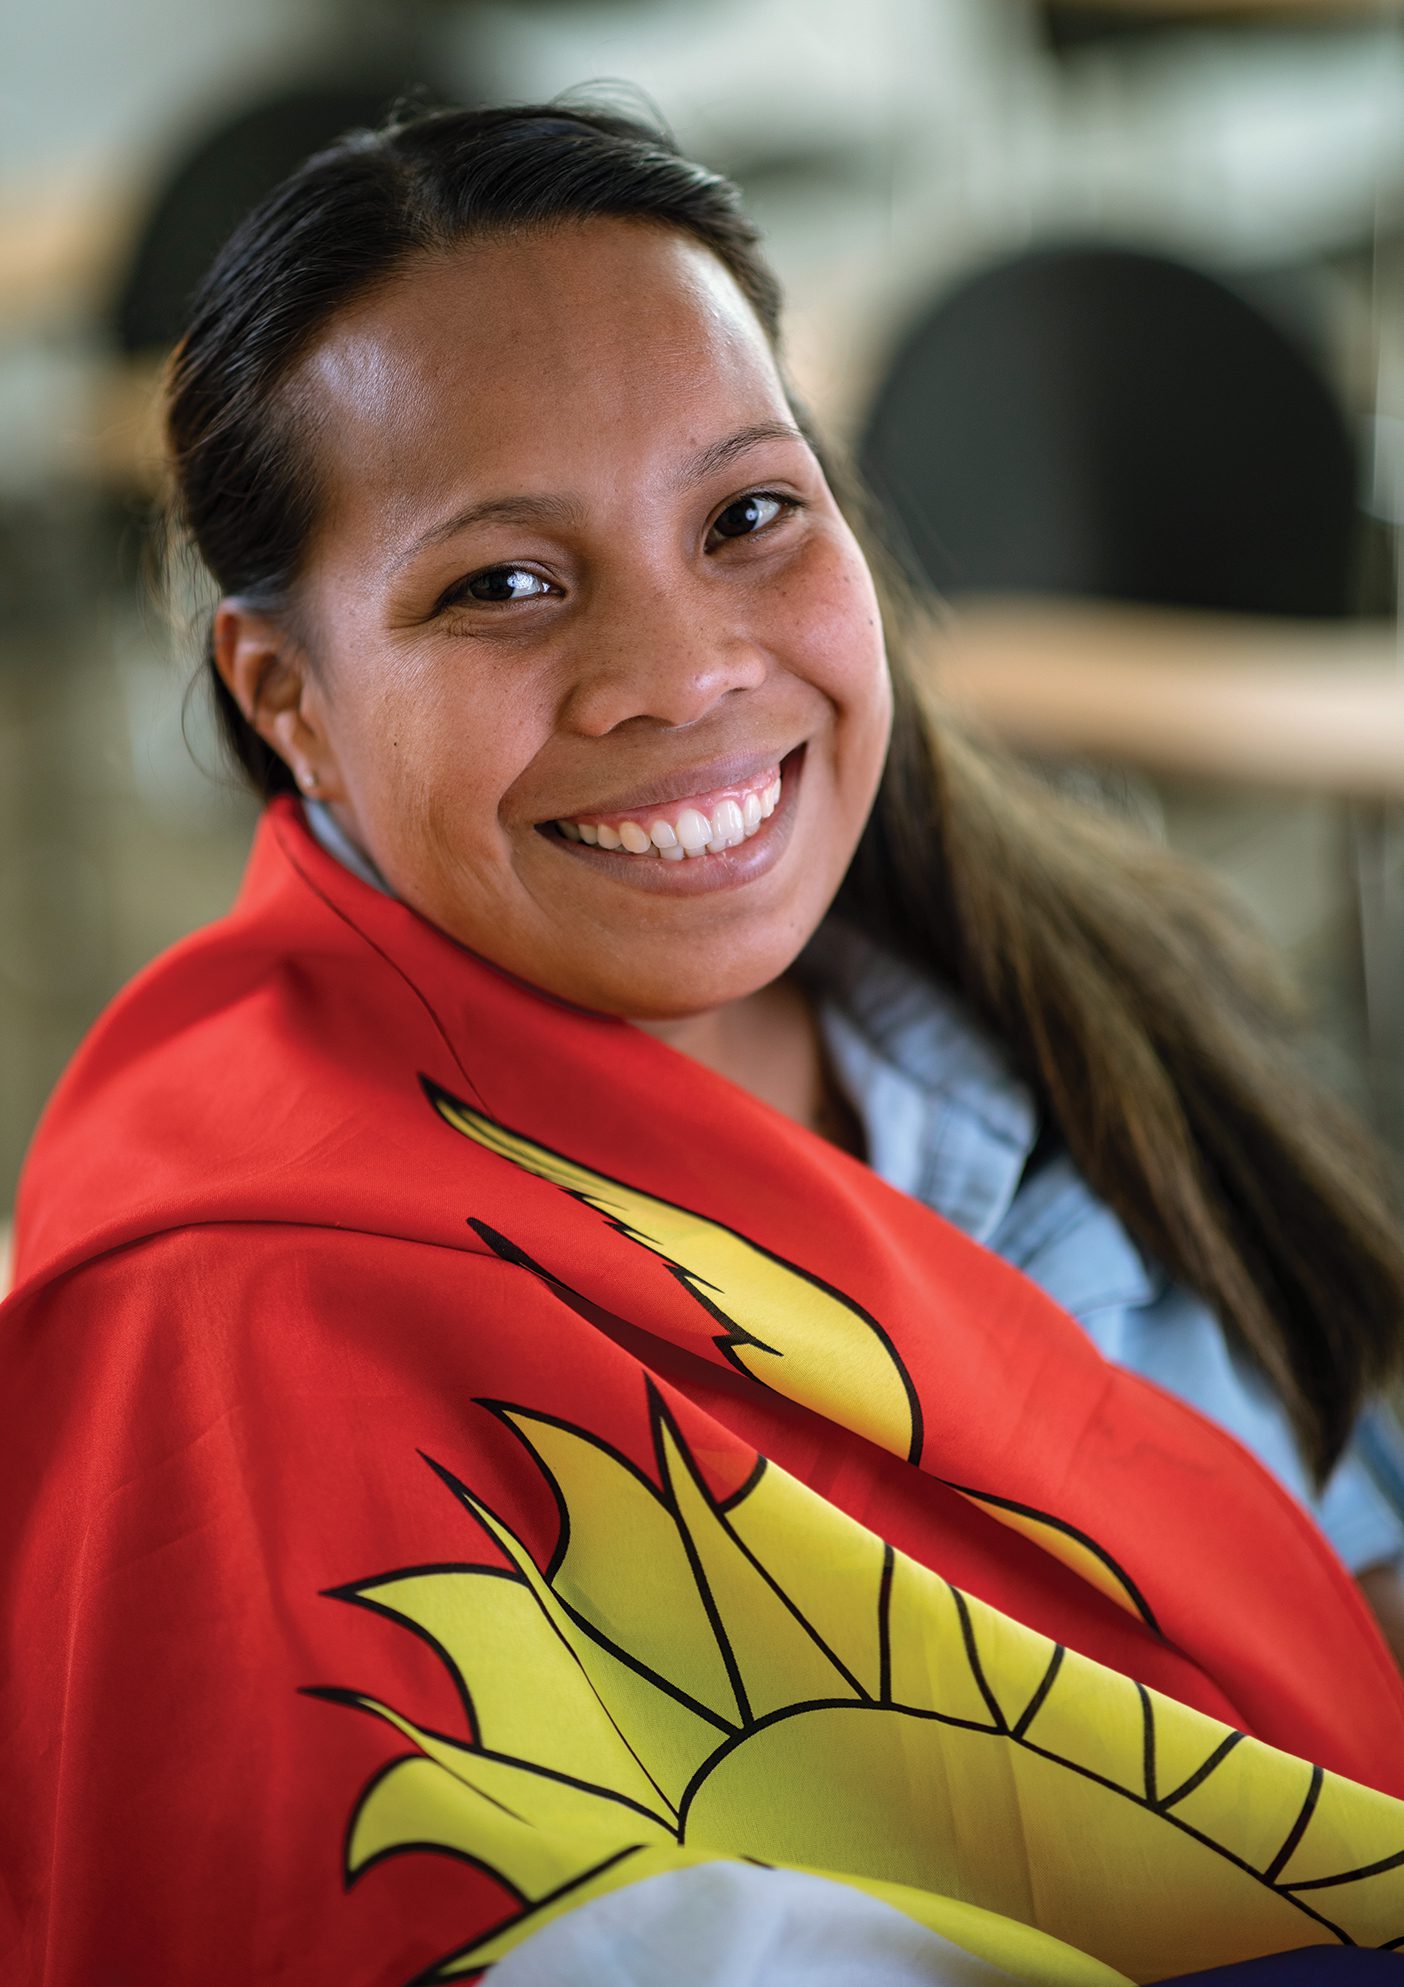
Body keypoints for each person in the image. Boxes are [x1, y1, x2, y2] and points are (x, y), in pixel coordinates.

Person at [4, 101, 1404, 1987]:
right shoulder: (234, 1310)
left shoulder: (1056, 991)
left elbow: (1343, 1544)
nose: (681, 672)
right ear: (291, 701)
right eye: (502, 584)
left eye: (747, 517)